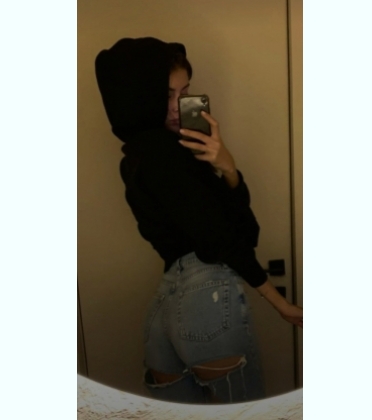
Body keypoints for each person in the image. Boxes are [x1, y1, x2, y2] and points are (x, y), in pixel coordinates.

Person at [95, 37, 302, 404]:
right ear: (141, 95)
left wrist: (226, 169)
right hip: (206, 295)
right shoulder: (168, 155)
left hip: (163, 309)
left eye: (185, 93)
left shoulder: (134, 159)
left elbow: (209, 226)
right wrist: (278, 302)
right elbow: (227, 236)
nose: (179, 106)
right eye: (167, 95)